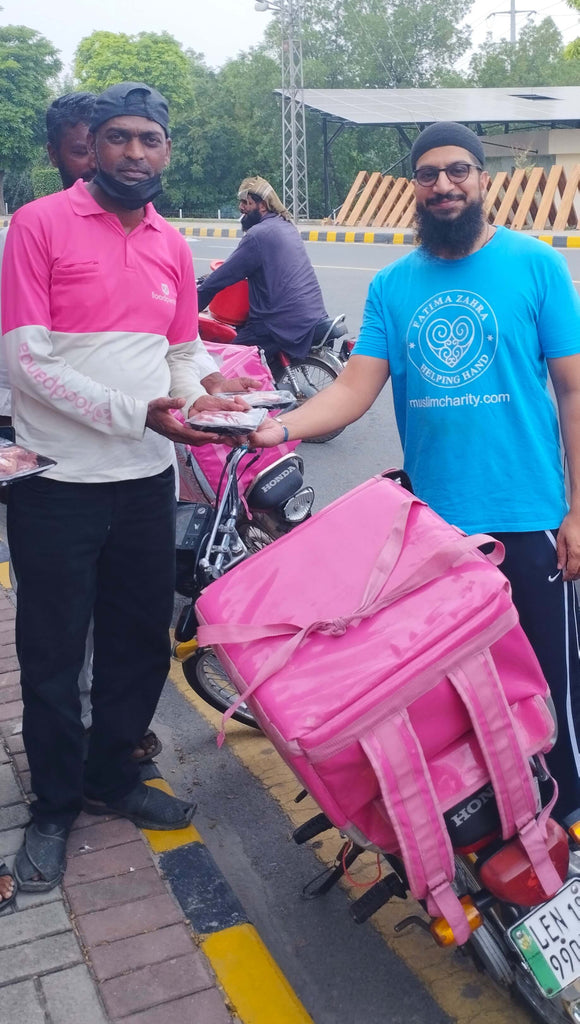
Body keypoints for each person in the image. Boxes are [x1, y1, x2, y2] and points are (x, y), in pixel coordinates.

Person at [250, 121, 580, 822]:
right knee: (466, 688)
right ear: (415, 188)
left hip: (531, 520)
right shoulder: (395, 286)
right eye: (429, 175)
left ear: (483, 180)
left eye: (459, 170)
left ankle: (570, 818)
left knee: (554, 681)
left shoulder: (535, 264)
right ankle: (503, 815)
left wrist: (578, 510)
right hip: (436, 533)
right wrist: (277, 426)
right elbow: (353, 388)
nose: (444, 185)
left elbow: (574, 390)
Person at [0, 81, 251, 895]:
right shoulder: (37, 227)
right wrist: (136, 413)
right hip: (57, 483)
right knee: (51, 651)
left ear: (166, 151)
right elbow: (26, 361)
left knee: (139, 641)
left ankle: (112, 775)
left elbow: (179, 353)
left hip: (146, 481)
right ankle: (55, 803)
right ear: (93, 146)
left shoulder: (171, 244)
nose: (135, 153)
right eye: (118, 138)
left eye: (150, 139)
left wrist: (205, 393)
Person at [197, 176, 327, 362]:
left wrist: (193, 304)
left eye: (246, 203)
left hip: (279, 323)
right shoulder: (286, 226)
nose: (241, 208)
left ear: (263, 205)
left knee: (226, 364)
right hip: (310, 313)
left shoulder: (258, 236)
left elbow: (223, 277)